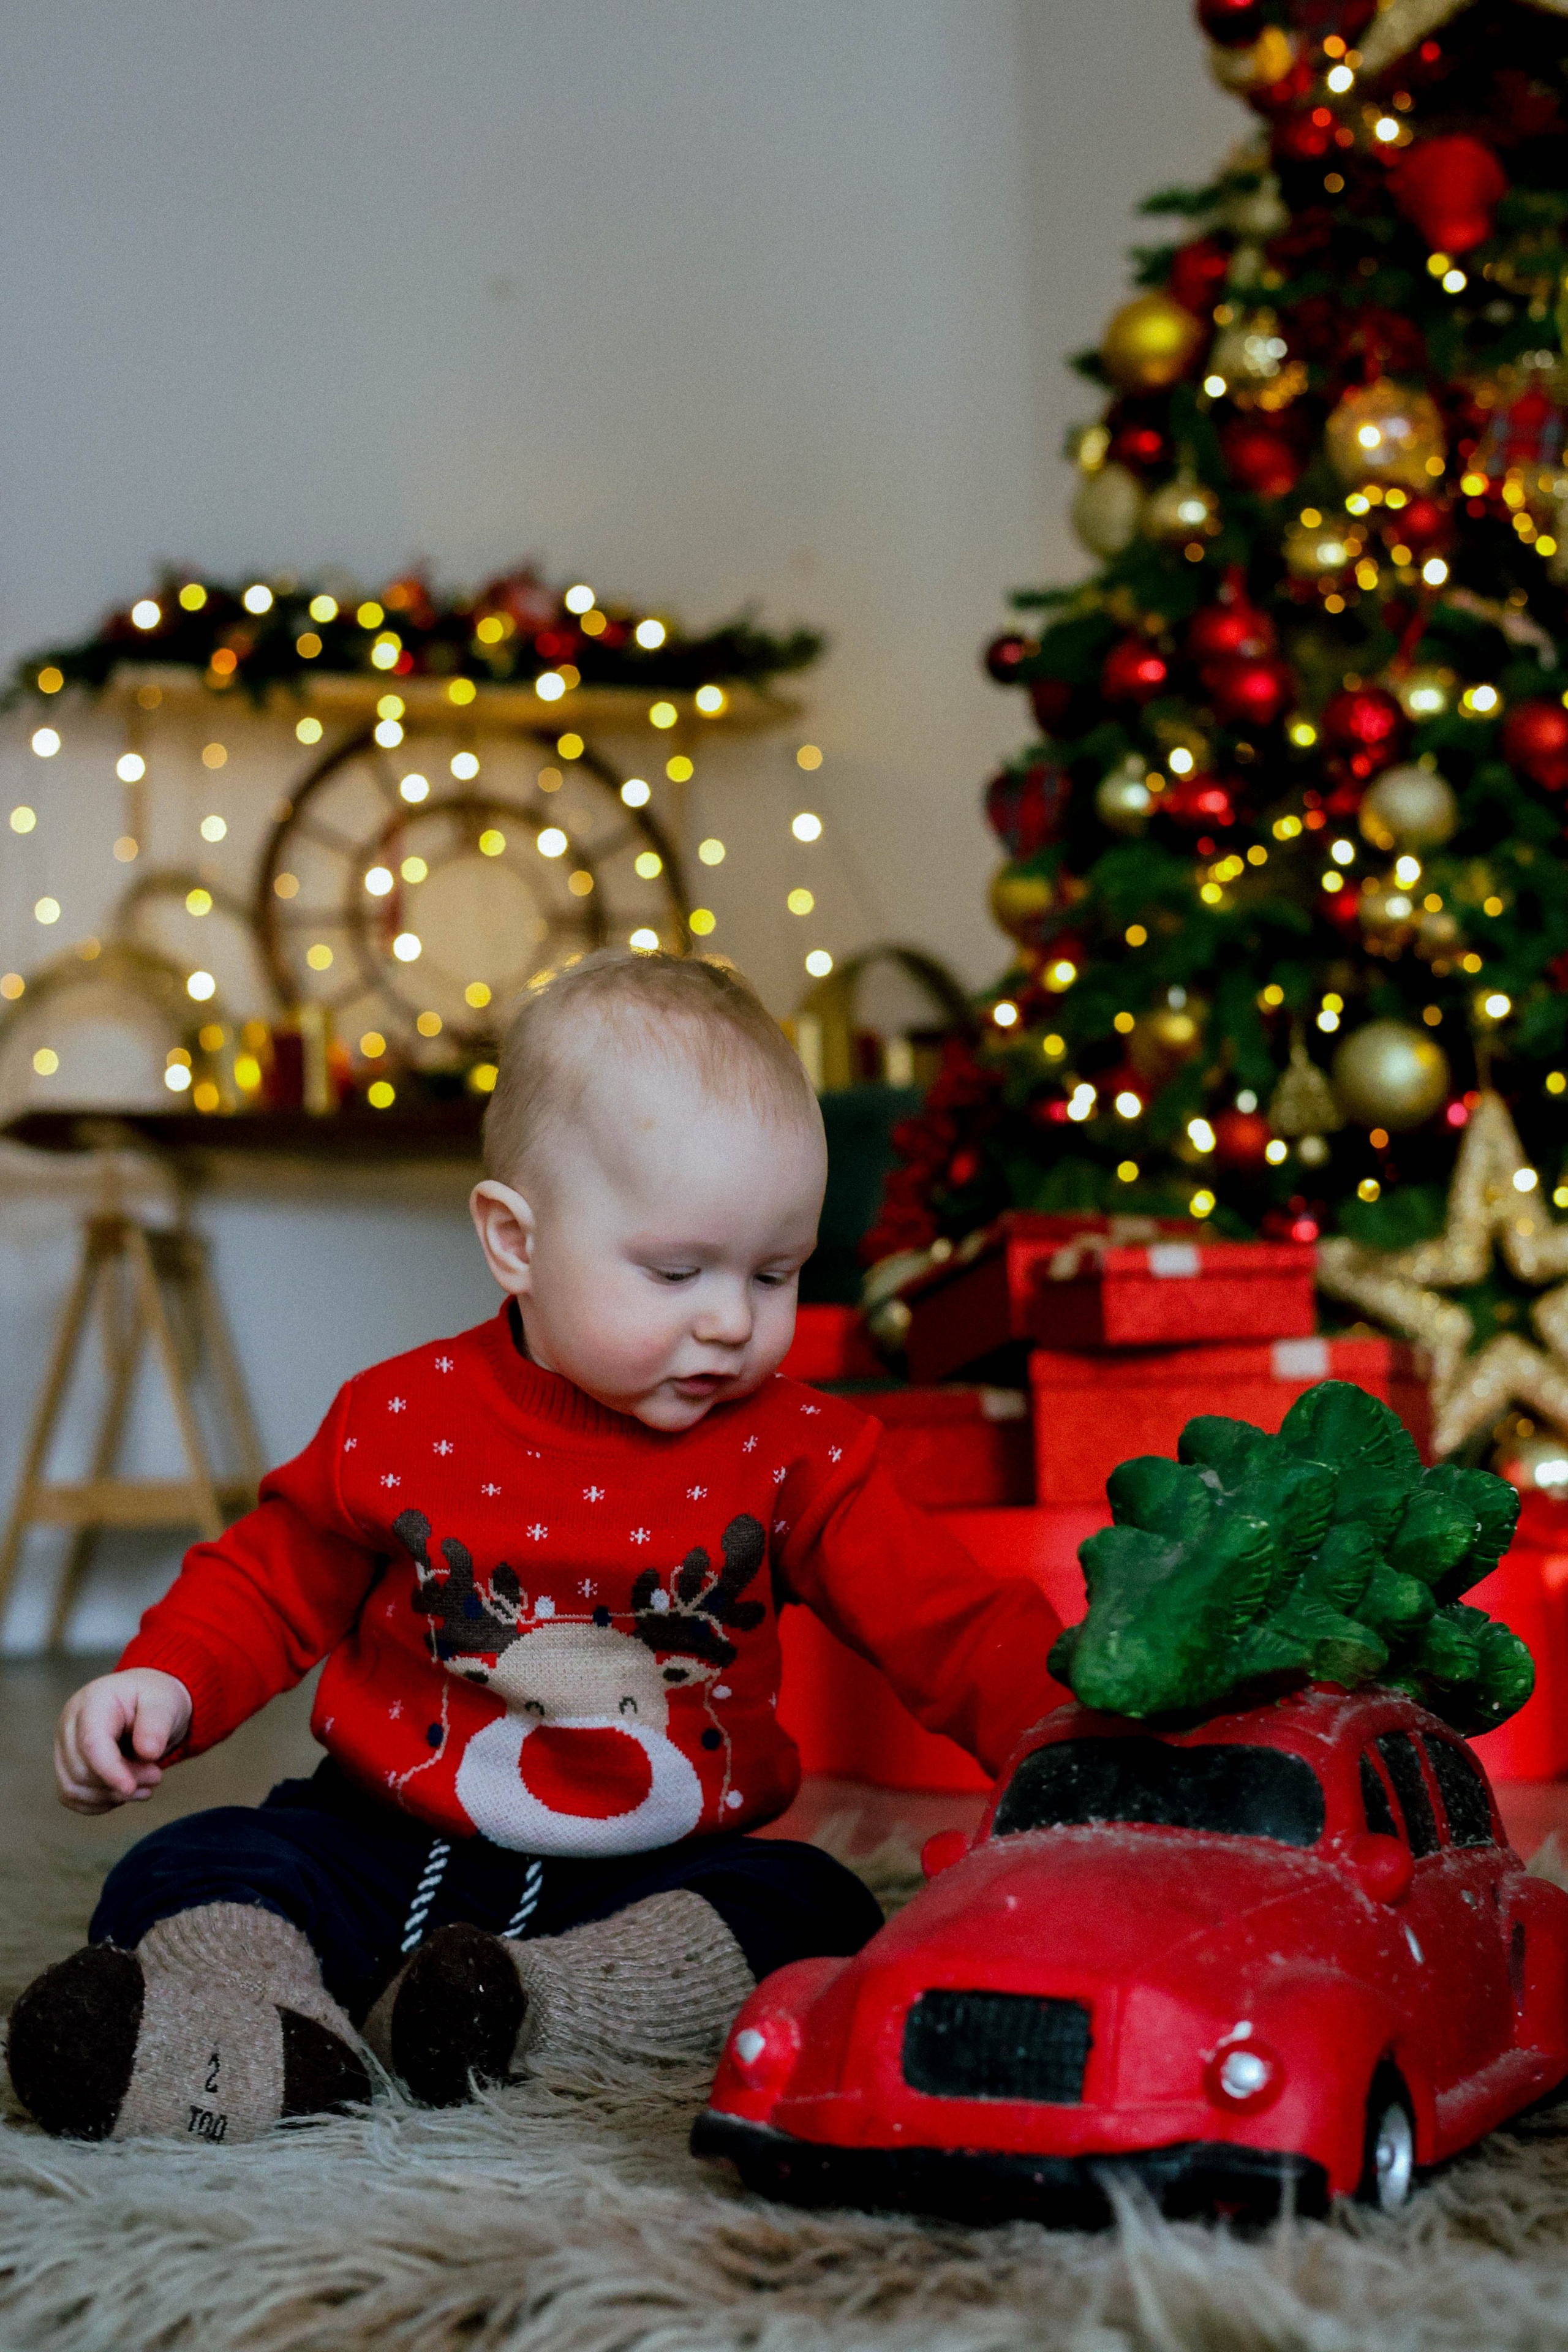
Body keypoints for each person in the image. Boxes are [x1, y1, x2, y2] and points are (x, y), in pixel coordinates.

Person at [9, 949, 1066, 2145]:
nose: (729, 1318)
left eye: (774, 1274)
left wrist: (1079, 1743)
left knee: (814, 1907)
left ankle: (533, 2010)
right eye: (676, 1271)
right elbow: (267, 1578)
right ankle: (262, 2026)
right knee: (194, 1863)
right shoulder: (400, 1419)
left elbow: (948, 1620)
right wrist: (164, 1680)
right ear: (515, 1241)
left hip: (651, 1872)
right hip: (377, 1838)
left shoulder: (802, 1453)